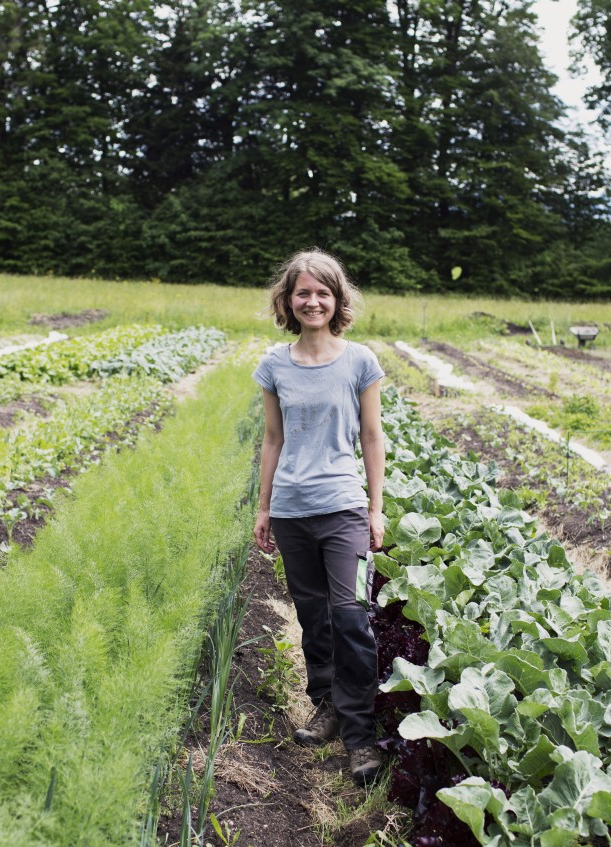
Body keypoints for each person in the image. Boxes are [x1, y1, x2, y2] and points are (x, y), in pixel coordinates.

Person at [252, 248, 386, 786]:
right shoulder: (274, 364)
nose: (312, 301)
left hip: (343, 508)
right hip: (291, 511)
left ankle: (360, 734)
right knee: (313, 615)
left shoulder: (360, 361)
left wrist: (376, 509)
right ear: (287, 301)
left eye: (322, 293)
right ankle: (326, 704)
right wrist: (264, 506)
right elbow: (272, 439)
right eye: (302, 293)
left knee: (351, 616)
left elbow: (372, 437)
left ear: (337, 300)